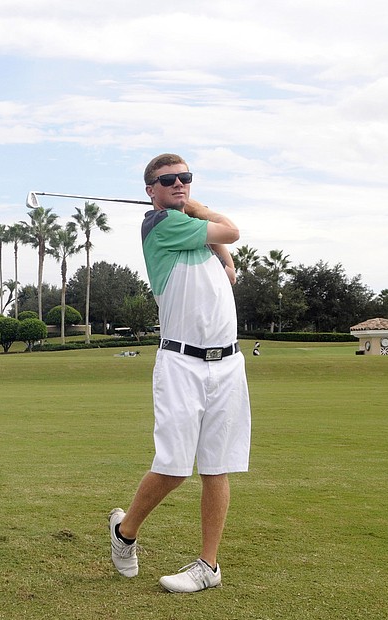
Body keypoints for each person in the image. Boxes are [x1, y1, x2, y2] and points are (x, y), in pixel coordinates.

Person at [109, 153, 251, 593]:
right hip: (181, 363)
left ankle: (208, 567)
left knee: (217, 466)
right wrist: (199, 209)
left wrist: (224, 259)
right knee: (173, 469)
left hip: (228, 363)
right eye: (167, 180)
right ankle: (125, 532)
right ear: (150, 191)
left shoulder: (192, 233)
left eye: (185, 179)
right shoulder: (160, 226)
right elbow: (229, 230)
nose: (178, 184)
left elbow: (221, 244)